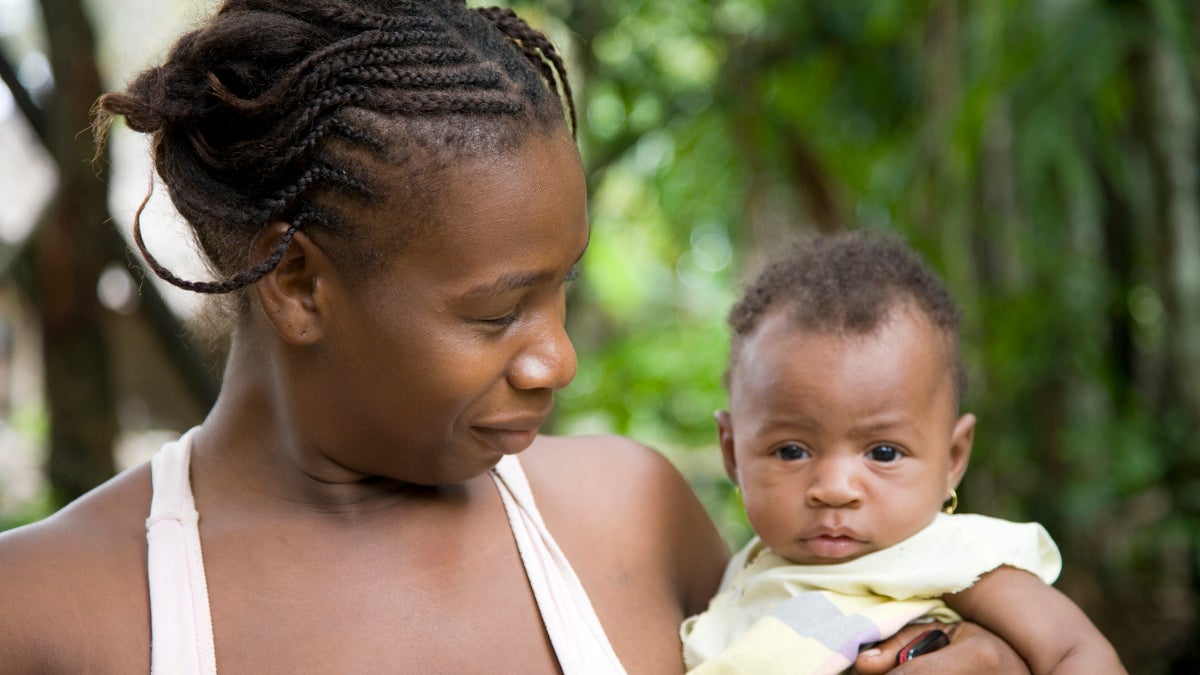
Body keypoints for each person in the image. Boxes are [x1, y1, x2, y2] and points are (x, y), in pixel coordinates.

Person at [0, 2, 1031, 672]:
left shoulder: (630, 516)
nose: (557, 360)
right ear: (299, 282)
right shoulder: (44, 609)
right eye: (498, 313)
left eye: (562, 291)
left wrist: (964, 649)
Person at [681, 231, 1127, 674]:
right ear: (733, 453)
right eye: (792, 451)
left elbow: (1077, 653)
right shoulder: (745, 576)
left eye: (883, 453)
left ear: (953, 457)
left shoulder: (951, 557)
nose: (834, 489)